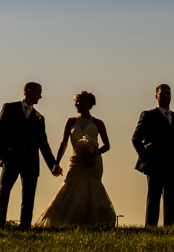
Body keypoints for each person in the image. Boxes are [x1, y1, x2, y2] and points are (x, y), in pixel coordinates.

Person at [34, 91, 117, 227]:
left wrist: (94, 153)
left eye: (80, 102)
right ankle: (67, 221)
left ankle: (95, 221)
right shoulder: (71, 121)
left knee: (93, 188)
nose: (77, 105)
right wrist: (57, 163)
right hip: (76, 161)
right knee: (71, 186)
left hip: (93, 162)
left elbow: (107, 145)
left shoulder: (98, 123)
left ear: (88, 104)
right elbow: (64, 143)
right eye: (76, 102)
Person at [0, 81, 63, 229]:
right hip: (11, 159)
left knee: (28, 197)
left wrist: (53, 164)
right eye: (38, 92)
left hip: (30, 162)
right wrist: (2, 155)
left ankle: (24, 227)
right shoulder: (9, 108)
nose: (41, 96)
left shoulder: (39, 118)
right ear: (29, 91)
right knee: (4, 192)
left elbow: (43, 144)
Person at [131, 83, 174, 226]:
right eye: (162, 93)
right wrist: (146, 158)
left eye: (167, 93)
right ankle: (151, 227)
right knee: (154, 198)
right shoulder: (148, 115)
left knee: (172, 199)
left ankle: (170, 227)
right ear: (156, 96)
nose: (165, 96)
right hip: (155, 163)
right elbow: (135, 139)